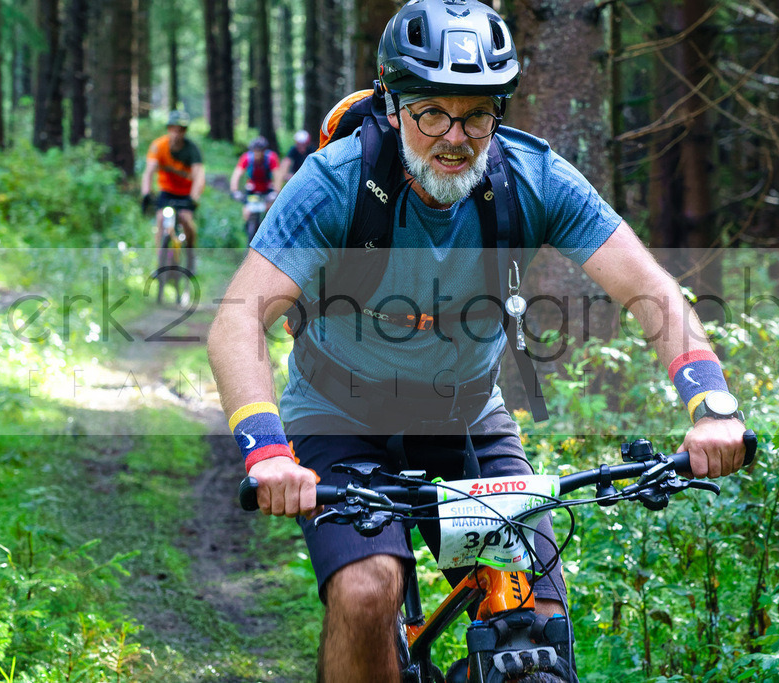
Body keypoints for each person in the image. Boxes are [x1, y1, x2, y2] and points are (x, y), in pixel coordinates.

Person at [207, 1, 749, 680]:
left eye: (477, 113)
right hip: (338, 418)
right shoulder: (335, 183)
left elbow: (650, 290)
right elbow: (236, 320)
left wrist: (713, 405)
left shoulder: (531, 177)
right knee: (367, 586)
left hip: (464, 416)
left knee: (534, 625)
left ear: (500, 111)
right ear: (393, 103)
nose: (454, 136)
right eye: (432, 111)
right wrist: (267, 453)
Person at [141, 109, 205, 274]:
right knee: (161, 220)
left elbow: (199, 176)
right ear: (169, 128)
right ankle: (159, 262)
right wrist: (146, 194)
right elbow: (149, 172)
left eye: (181, 129)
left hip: (185, 194)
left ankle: (191, 257)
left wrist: (194, 197)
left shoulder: (192, 150)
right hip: (167, 191)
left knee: (186, 220)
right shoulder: (158, 146)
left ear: (185, 131)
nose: (177, 133)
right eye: (174, 128)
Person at [229, 136, 281, 244]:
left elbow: (277, 176)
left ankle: (271, 237)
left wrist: (277, 191)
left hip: (267, 189)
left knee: (270, 212)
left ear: (264, 151)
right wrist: (234, 190)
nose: (257, 154)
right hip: (252, 190)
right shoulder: (247, 158)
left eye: (260, 151)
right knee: (247, 212)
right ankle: (248, 234)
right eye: (255, 151)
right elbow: (237, 174)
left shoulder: (271, 158)